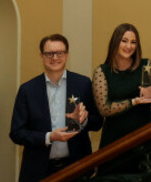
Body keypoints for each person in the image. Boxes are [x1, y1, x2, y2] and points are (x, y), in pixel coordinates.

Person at [9, 34, 103, 182]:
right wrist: (49, 137)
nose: (55, 58)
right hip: (39, 171)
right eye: (49, 53)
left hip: (77, 167)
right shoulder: (27, 90)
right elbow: (16, 133)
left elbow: (98, 122)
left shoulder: (83, 83)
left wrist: (83, 120)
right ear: (41, 56)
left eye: (60, 53)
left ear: (66, 55)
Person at [92, 23, 151, 177]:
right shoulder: (102, 72)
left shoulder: (146, 65)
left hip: (145, 139)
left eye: (133, 42)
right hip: (114, 142)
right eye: (124, 41)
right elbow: (104, 109)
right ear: (115, 42)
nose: (129, 46)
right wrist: (134, 101)